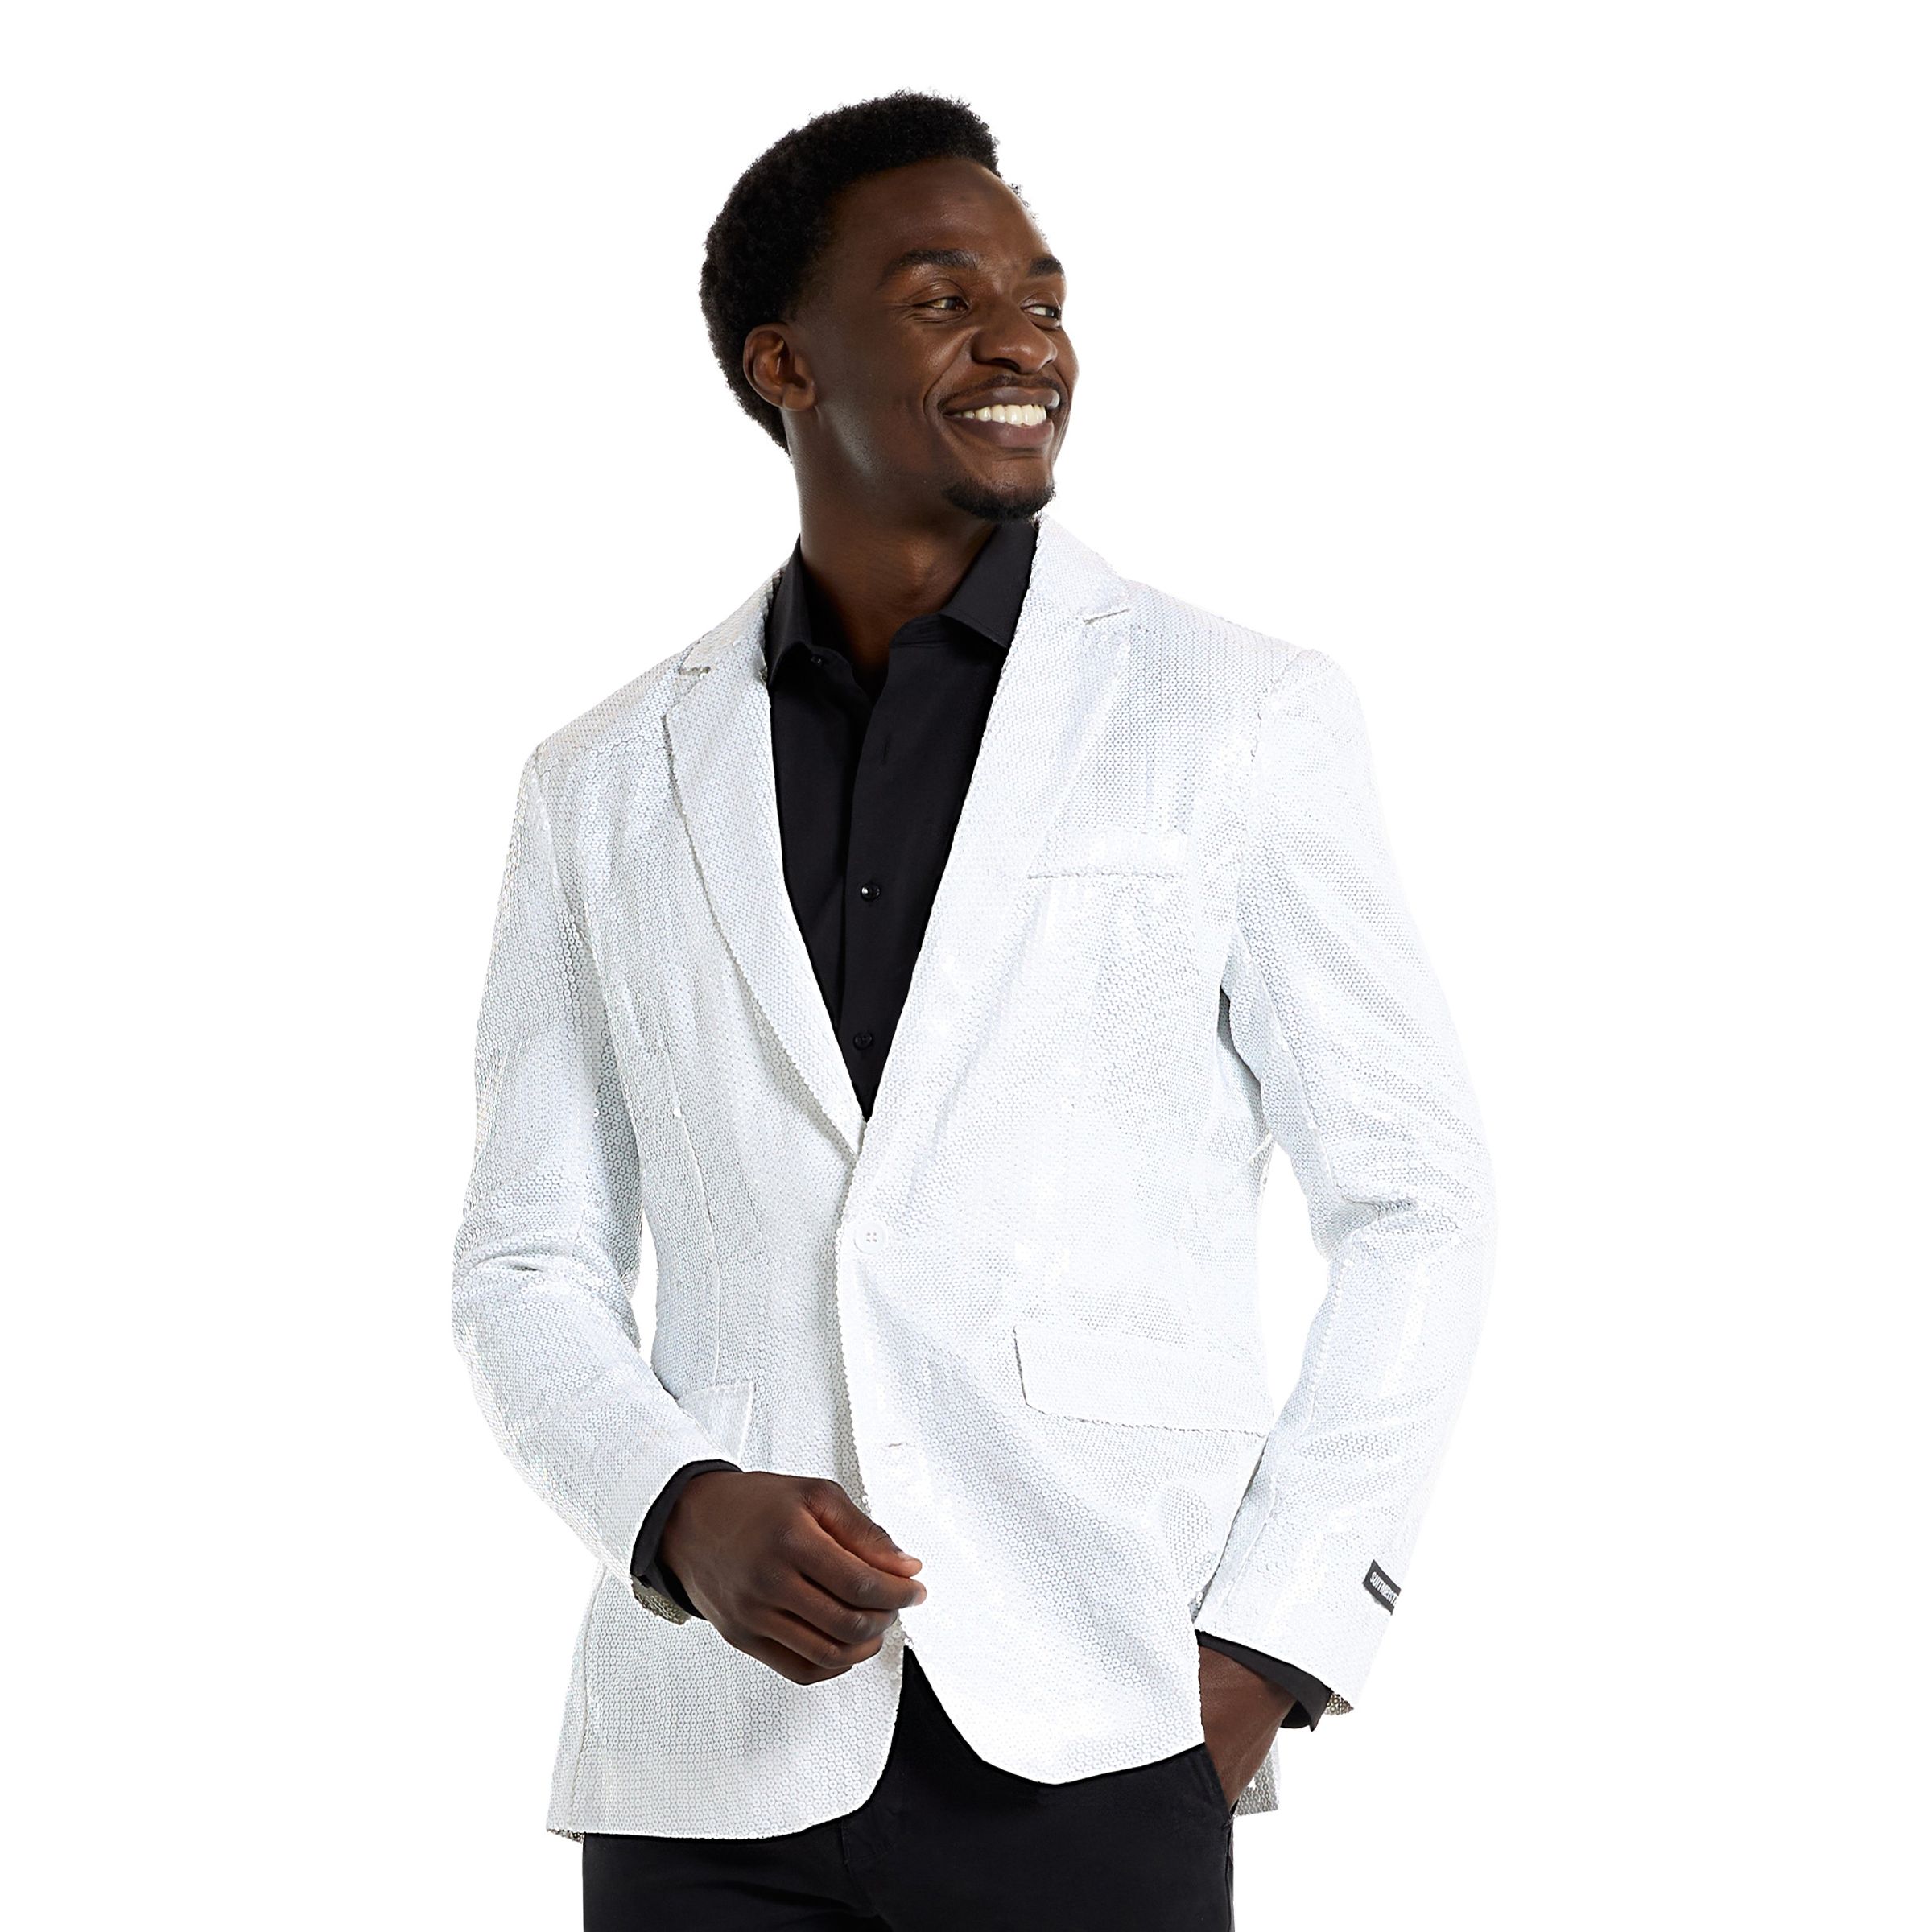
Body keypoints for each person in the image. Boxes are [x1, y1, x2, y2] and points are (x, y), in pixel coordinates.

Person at [452, 89, 1496, 1932]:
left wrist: (1274, 1644)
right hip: (711, 1754)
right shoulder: (601, 780)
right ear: (786, 362)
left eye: (1044, 296)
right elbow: (526, 1254)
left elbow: (1416, 1199)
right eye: (943, 298)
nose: (1024, 340)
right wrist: (674, 1507)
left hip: (1102, 1717)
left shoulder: (1235, 713)